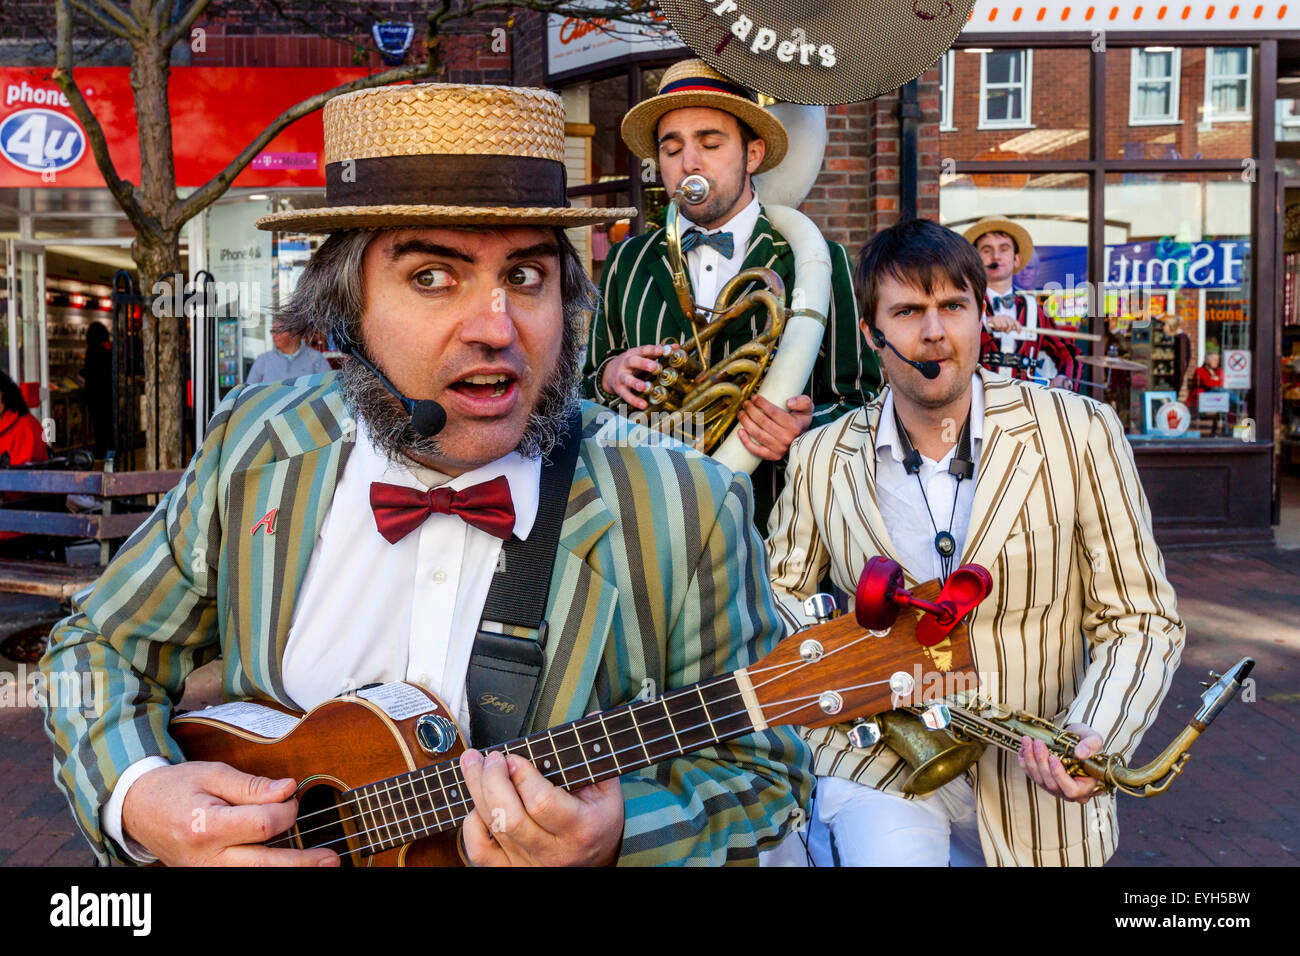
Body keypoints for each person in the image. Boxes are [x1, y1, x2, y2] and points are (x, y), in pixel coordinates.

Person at [39, 83, 810, 868]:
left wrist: (618, 840)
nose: (495, 328)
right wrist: (136, 793)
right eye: (433, 277)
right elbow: (97, 644)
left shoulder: (686, 505)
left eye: (526, 277)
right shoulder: (259, 445)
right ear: (347, 309)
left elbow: (765, 777)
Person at [765, 219, 1185, 866]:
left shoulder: (1082, 431)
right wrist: (847, 667)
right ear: (872, 335)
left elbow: (1140, 614)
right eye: (907, 312)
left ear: (980, 316)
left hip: (1033, 775)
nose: (935, 332)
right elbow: (777, 589)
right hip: (881, 755)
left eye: (953, 307)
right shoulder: (821, 454)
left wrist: (1095, 731)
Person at [585, 59, 881, 524]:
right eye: (672, 148)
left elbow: (865, 406)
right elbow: (582, 392)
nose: (689, 163)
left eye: (710, 142)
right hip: (644, 521)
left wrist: (806, 429)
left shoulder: (819, 261)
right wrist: (609, 375)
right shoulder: (629, 259)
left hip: (772, 524)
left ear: (753, 154)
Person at [964, 217, 1081, 390]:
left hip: (1023, 402)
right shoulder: (964, 303)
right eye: (987, 250)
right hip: (973, 400)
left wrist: (1064, 379)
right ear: (975, 259)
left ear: (1016, 259)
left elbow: (1068, 353)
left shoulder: (1034, 308)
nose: (996, 256)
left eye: (1004, 249)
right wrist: (985, 326)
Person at [245, 328, 332, 384]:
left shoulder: (315, 358)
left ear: (294, 333)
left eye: (279, 331)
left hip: (306, 411)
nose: (274, 335)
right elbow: (249, 391)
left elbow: (329, 387)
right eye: (273, 331)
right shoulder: (263, 359)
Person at [82, 321, 114, 459]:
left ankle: (100, 450)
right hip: (107, 393)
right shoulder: (107, 351)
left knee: (98, 425)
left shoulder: (91, 352)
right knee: (107, 423)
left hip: (94, 394)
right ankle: (110, 450)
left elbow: (88, 372)